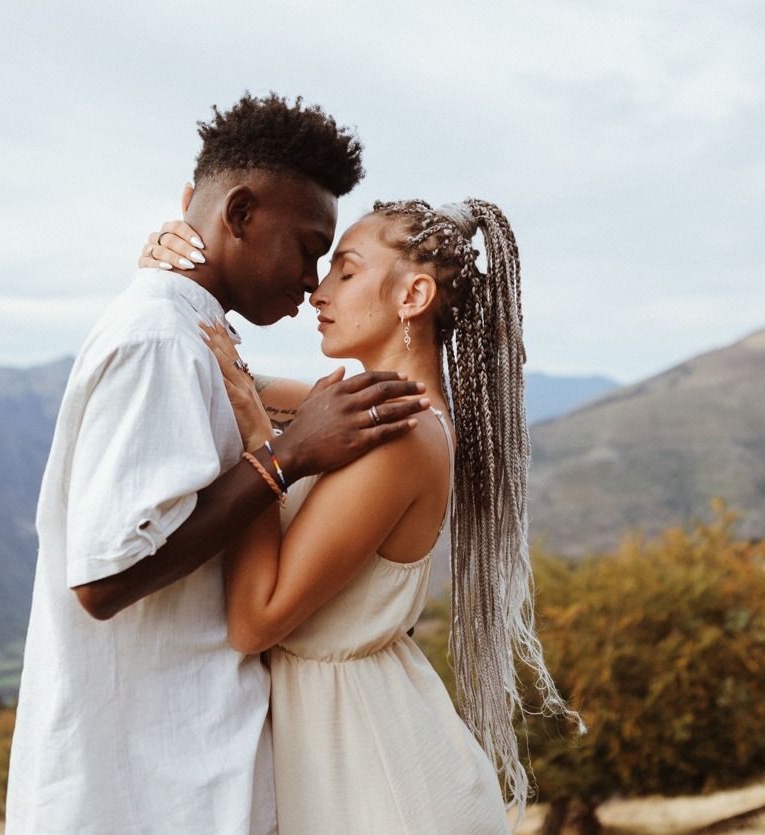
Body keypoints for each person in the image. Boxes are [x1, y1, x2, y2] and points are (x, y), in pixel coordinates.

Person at [6, 94, 432, 835]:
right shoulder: (161, 339)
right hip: (146, 788)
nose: (312, 281)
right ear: (237, 214)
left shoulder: (192, 335)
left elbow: (264, 393)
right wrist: (285, 459)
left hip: (191, 770)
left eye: (334, 263)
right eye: (308, 246)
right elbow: (102, 579)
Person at [151, 198, 579, 833]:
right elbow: (210, 370)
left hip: (376, 776)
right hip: (344, 747)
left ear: (414, 295)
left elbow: (254, 619)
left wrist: (261, 448)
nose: (317, 291)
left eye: (345, 272)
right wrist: (176, 278)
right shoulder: (364, 410)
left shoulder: (401, 435)